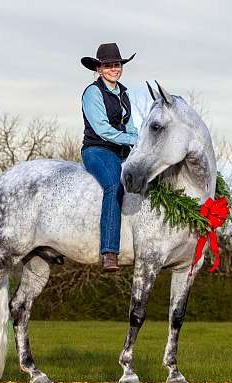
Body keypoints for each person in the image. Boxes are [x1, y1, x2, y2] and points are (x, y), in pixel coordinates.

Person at [80, 43, 139, 272]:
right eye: (108, 66)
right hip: (97, 150)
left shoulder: (124, 93)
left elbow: (132, 127)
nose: (114, 69)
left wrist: (136, 140)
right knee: (114, 185)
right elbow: (103, 130)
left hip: (122, 151)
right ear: (99, 68)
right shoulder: (92, 93)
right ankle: (109, 252)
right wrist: (132, 139)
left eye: (117, 65)